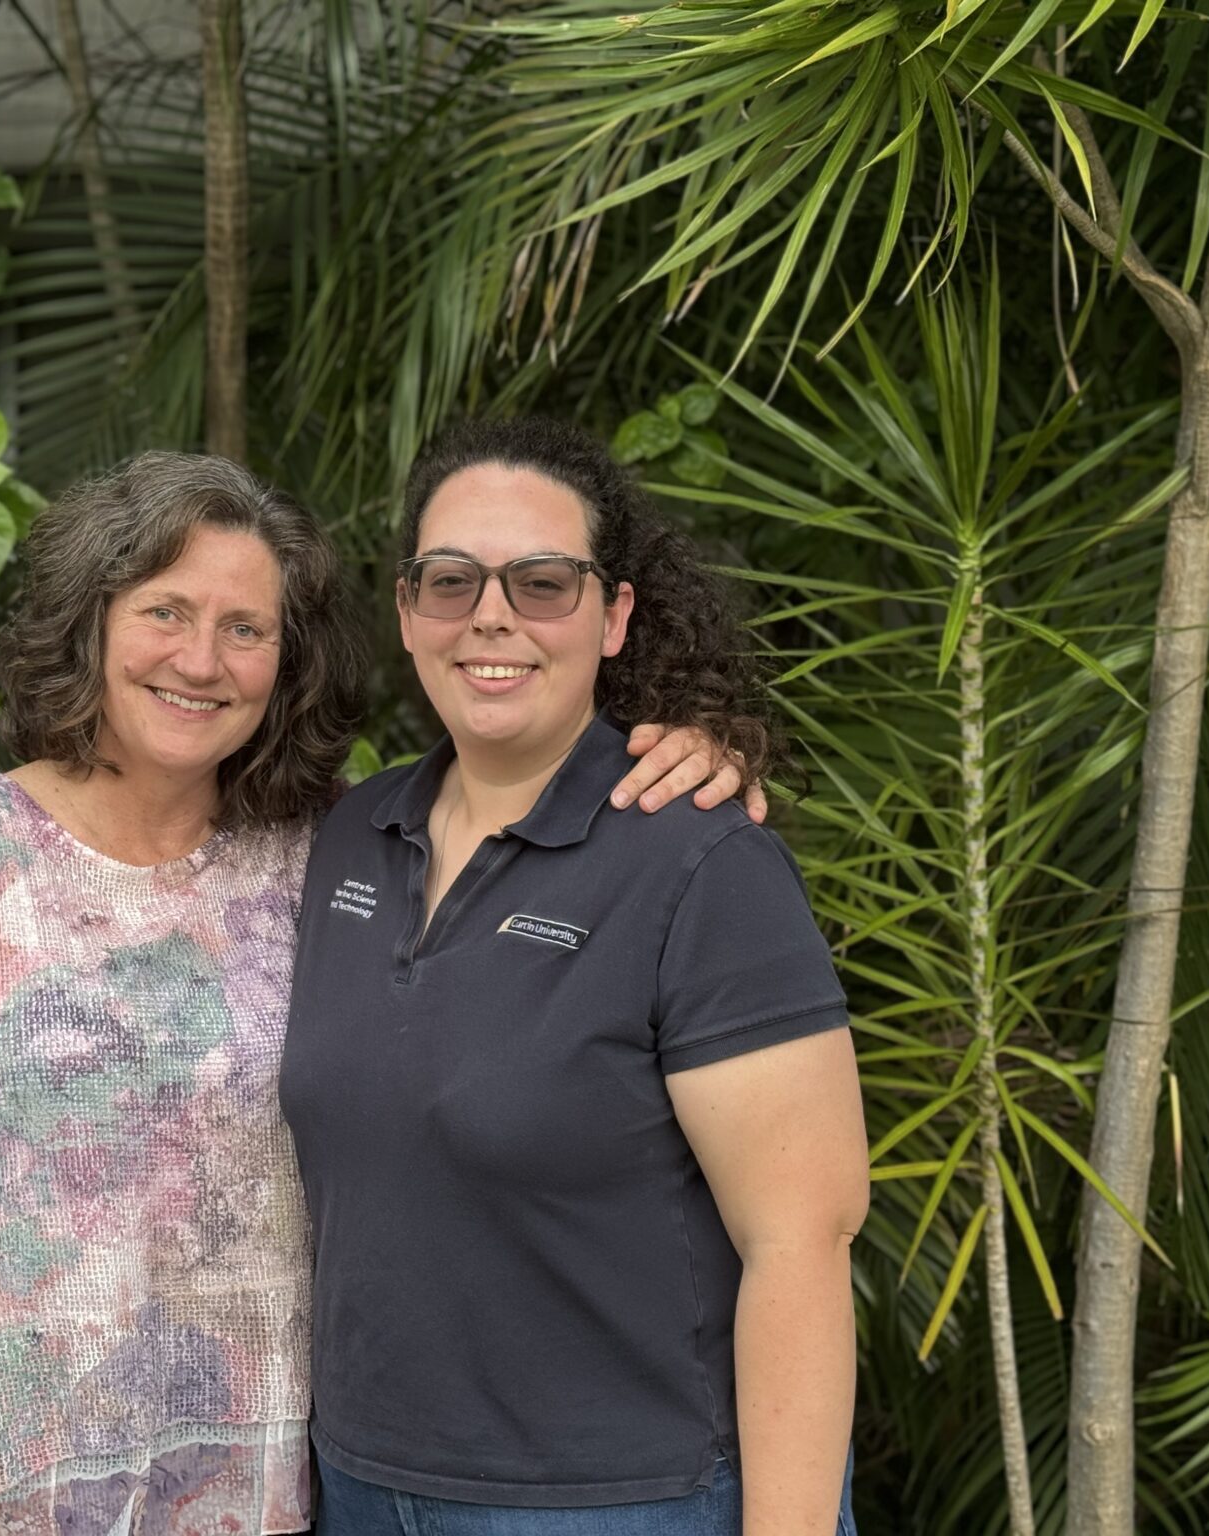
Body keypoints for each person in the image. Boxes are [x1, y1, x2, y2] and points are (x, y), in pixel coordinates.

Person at [0, 451, 764, 1536]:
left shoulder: (335, 859)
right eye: (165, 612)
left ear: (287, 664)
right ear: (89, 622)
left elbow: (516, 796)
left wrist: (687, 753)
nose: (200, 660)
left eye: (245, 628)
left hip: (248, 1501)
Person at [281, 418, 868, 1536]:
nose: (490, 615)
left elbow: (801, 1238)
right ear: (406, 613)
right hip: (355, 1489)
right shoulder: (349, 837)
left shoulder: (699, 858)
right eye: (449, 581)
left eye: (542, 581)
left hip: (623, 1502)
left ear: (613, 617)